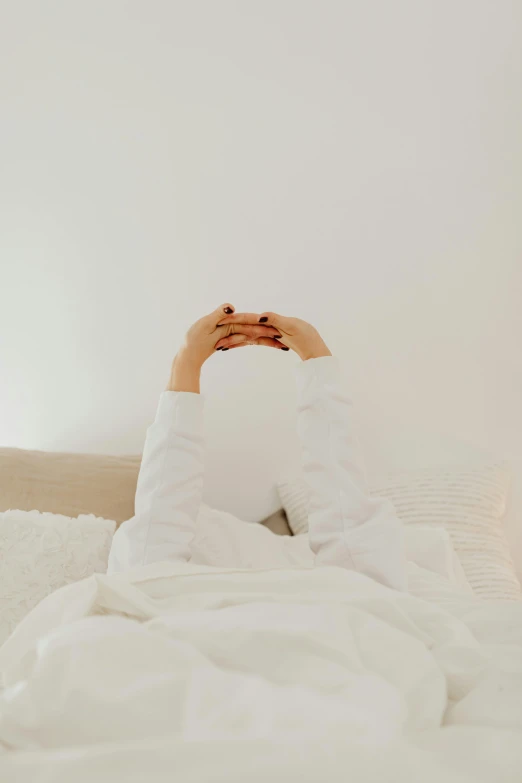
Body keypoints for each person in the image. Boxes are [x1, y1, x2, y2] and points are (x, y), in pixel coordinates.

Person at [108, 304, 407, 590]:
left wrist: (186, 363)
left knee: (146, 571)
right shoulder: (363, 599)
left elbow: (149, 559)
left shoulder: (153, 603)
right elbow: (352, 536)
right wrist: (316, 357)